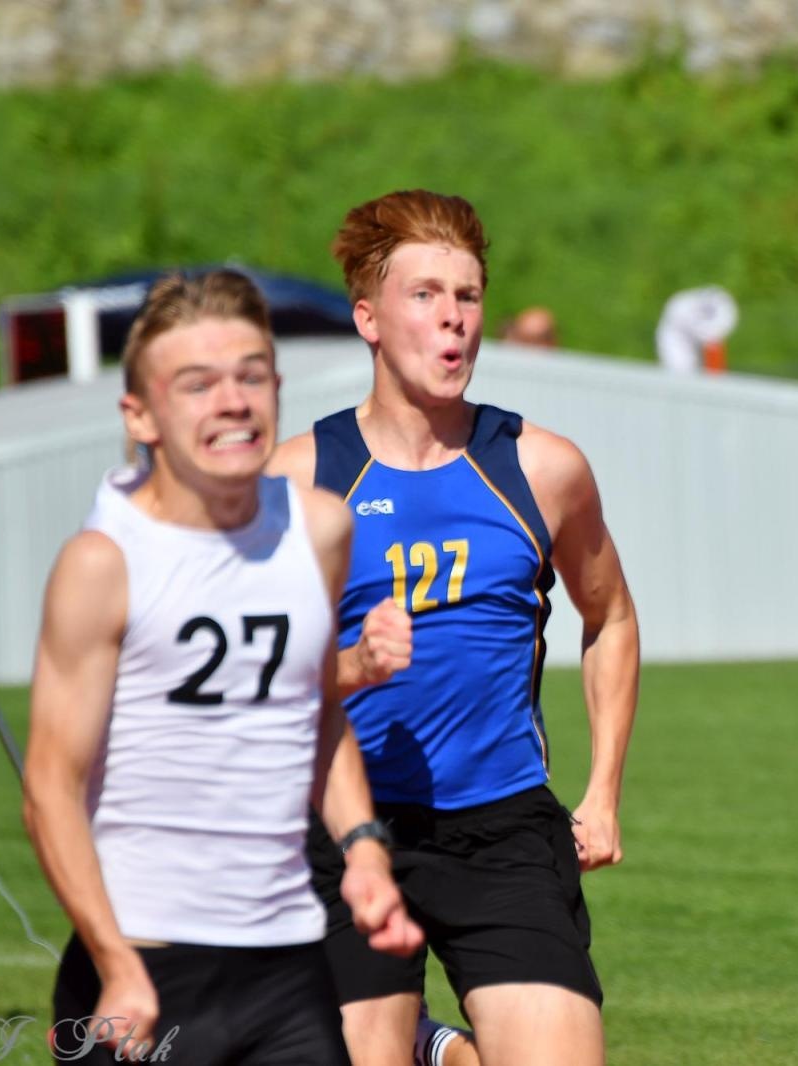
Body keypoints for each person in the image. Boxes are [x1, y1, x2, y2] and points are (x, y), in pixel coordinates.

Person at [269, 189, 639, 1066]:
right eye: (425, 295)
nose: (454, 319)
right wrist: (354, 663)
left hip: (503, 828)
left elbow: (611, 618)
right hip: (347, 829)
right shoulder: (299, 482)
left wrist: (602, 791)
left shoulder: (541, 468)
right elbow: (267, 677)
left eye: (468, 296)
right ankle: (428, 1045)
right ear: (368, 318)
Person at [23, 270, 422, 1065]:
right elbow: (49, 787)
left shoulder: (320, 530)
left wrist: (364, 850)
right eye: (198, 385)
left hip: (288, 963)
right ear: (141, 415)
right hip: (143, 963)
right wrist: (114, 962)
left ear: (277, 387)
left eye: (250, 376)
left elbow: (317, 709)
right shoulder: (103, 562)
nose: (233, 402)